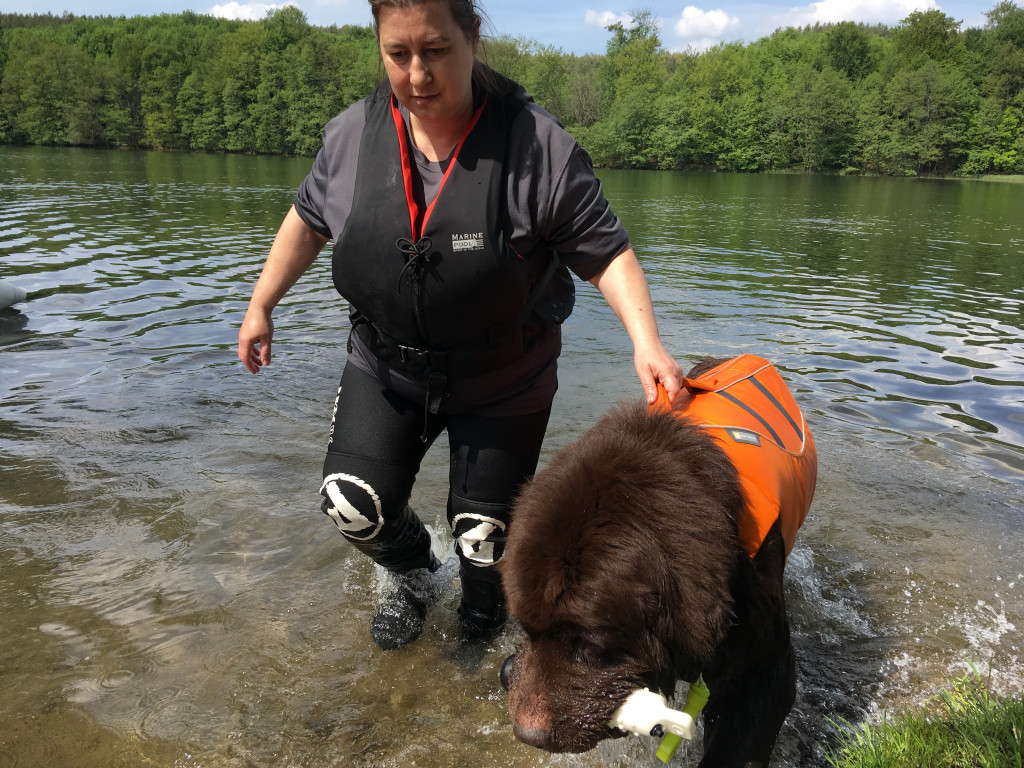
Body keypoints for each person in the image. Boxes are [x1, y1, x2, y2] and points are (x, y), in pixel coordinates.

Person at [238, 0, 684, 651]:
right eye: (398, 54)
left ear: (472, 37)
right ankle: (415, 574)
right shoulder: (350, 138)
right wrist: (262, 304)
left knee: (485, 537)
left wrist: (646, 343)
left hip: (504, 378)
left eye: (435, 51)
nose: (417, 73)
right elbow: (307, 221)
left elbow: (606, 252)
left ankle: (481, 612)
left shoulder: (538, 147)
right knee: (350, 503)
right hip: (386, 367)